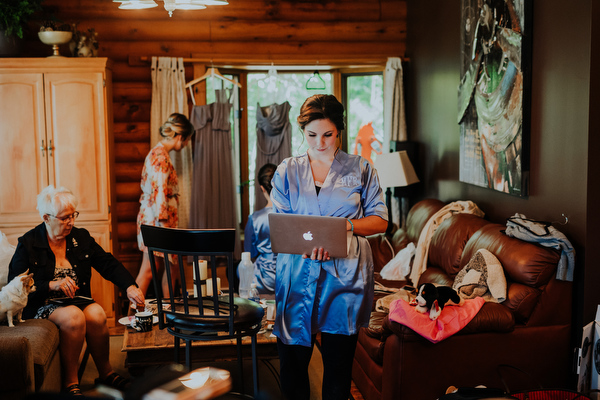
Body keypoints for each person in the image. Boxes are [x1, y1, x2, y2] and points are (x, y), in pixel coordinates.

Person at [270, 94, 388, 400]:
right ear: (303, 132)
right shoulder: (287, 170)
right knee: (293, 371)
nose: (320, 143)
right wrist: (305, 244)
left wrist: (344, 226)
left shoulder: (361, 169)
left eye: (328, 135)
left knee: (337, 372)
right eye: (312, 135)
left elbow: (379, 222)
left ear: (339, 131)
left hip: (345, 274)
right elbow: (280, 223)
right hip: (297, 271)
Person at [8, 185, 145, 396]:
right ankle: (71, 383)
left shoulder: (80, 238)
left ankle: (106, 373)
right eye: (64, 218)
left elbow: (107, 263)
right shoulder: (28, 243)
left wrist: (129, 286)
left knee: (98, 314)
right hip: (42, 303)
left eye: (73, 215)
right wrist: (51, 285)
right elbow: (15, 284)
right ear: (46, 217)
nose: (71, 222)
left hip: (77, 299)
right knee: (74, 318)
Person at [135, 113, 195, 298]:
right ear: (180, 136)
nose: (185, 145)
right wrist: (164, 228)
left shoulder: (159, 153)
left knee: (171, 269)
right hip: (158, 221)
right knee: (149, 270)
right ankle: (132, 316)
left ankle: (171, 314)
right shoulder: (160, 157)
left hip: (158, 220)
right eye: (186, 141)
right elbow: (160, 191)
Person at [243, 163, 277, 294]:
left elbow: (249, 253)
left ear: (262, 188)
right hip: (287, 276)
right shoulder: (292, 215)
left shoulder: (255, 218)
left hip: (262, 279)